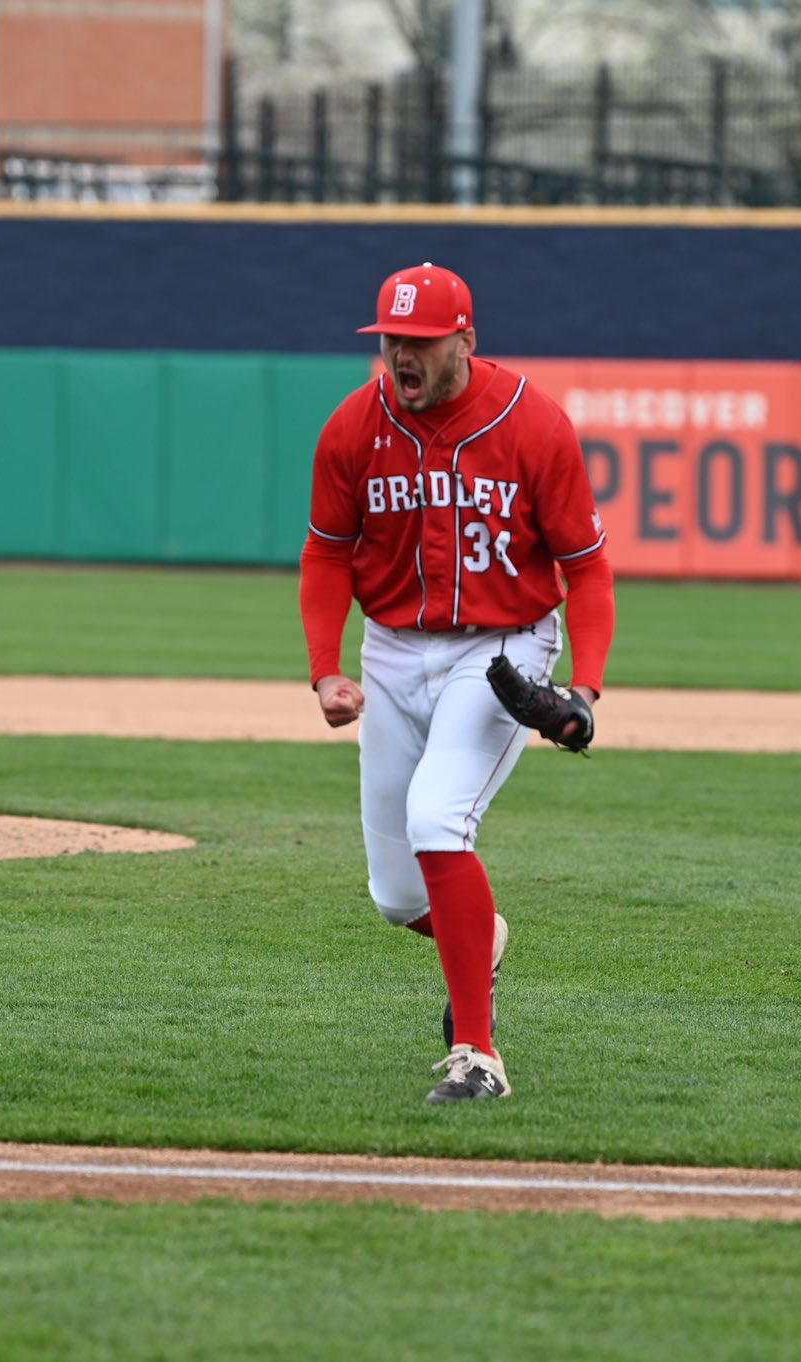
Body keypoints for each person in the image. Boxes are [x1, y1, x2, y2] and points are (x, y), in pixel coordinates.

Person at [299, 262, 616, 1104]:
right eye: (391, 340)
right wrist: (326, 669)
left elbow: (586, 570)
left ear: (465, 340)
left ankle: (479, 1056)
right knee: (397, 896)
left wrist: (584, 691)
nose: (402, 356)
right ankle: (484, 940)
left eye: (420, 342)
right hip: (392, 650)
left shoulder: (535, 425)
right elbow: (328, 550)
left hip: (502, 649)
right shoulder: (352, 428)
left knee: (439, 822)